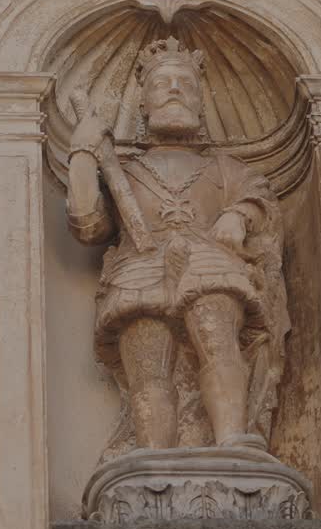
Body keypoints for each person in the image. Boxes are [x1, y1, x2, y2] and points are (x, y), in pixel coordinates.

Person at [65, 37, 290, 454]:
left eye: (184, 83)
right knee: (148, 365)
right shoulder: (126, 171)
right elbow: (88, 225)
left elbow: (261, 199)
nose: (173, 89)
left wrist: (238, 215)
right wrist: (81, 148)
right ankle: (153, 456)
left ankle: (231, 440)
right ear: (143, 104)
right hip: (139, 271)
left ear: (201, 102)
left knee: (218, 339)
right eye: (161, 82)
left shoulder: (225, 168)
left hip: (210, 264)